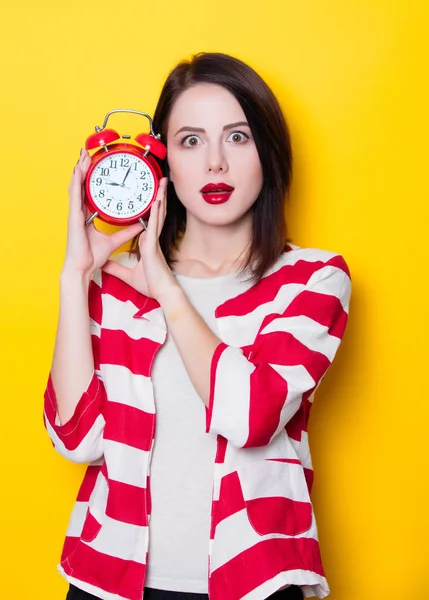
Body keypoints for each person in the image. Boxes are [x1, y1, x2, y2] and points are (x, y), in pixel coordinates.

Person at [43, 52, 351, 600]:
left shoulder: (311, 280)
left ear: (268, 152)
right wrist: (76, 274)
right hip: (109, 582)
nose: (215, 164)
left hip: (254, 581)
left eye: (237, 137)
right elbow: (76, 440)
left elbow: (250, 416)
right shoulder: (115, 287)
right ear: (163, 163)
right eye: (190, 140)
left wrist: (166, 289)